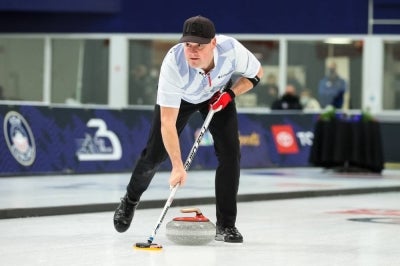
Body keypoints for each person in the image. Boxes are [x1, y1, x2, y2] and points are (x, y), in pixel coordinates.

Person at [113, 15, 263, 243]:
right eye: (188, 44)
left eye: (200, 46)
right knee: (154, 155)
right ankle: (130, 200)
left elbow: (256, 74)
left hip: (217, 95)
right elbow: (167, 123)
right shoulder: (174, 63)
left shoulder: (231, 50)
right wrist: (177, 166)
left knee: (231, 154)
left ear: (213, 43)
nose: (192, 51)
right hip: (181, 99)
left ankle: (226, 225)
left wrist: (230, 94)